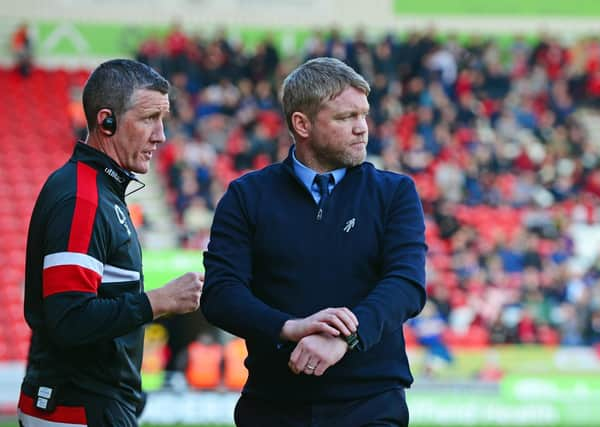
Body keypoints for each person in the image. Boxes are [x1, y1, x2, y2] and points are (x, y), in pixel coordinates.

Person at [201, 57, 427, 427]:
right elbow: (221, 294)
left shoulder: (395, 192)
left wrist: (345, 339)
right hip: (272, 405)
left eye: (363, 115)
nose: (362, 129)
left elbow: (406, 285)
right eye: (345, 118)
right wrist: (290, 327)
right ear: (301, 124)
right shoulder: (247, 196)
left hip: (371, 405)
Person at [18, 59, 204, 427]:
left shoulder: (100, 193)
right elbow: (69, 319)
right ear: (106, 121)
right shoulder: (81, 197)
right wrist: (158, 301)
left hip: (93, 402)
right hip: (74, 408)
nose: (161, 135)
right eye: (149, 118)